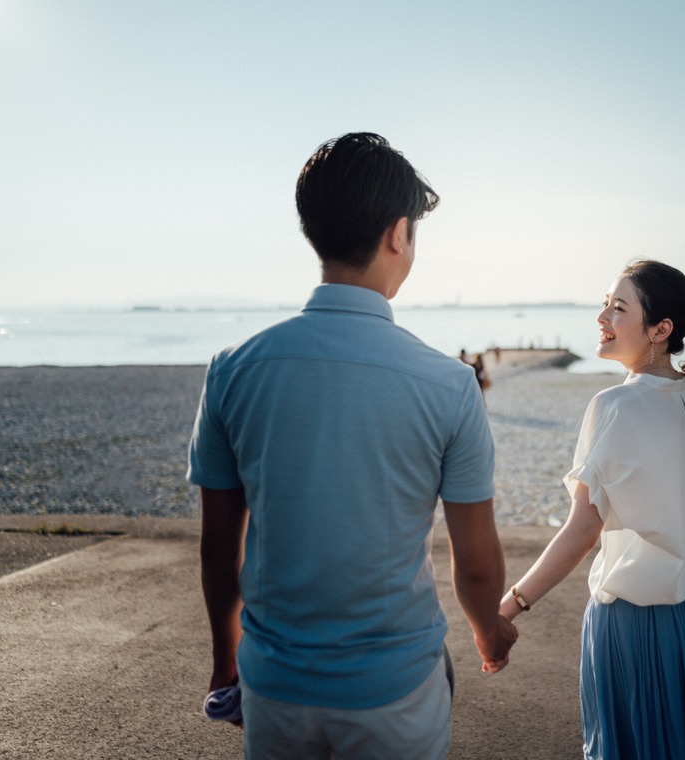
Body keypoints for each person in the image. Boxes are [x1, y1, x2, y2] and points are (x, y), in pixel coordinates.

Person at [188, 132, 517, 759]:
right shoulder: (449, 384)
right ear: (399, 234)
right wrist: (489, 632)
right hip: (395, 688)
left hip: (274, 684)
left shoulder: (233, 368)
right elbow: (475, 563)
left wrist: (223, 659)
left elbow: (218, 548)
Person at [498, 260, 685, 759]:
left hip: (637, 619)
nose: (602, 316)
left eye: (618, 308)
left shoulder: (615, 407)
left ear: (660, 330)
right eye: (605, 303)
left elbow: (583, 530)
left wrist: (512, 603)